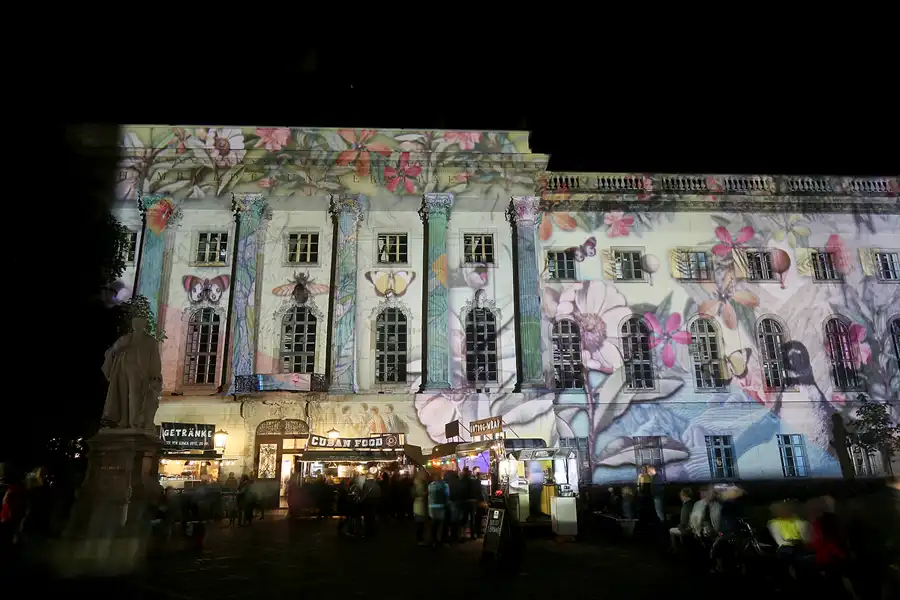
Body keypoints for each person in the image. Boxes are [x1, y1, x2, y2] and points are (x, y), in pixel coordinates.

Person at [428, 470, 450, 546]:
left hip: (432, 507)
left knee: (434, 525)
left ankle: (434, 541)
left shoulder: (431, 485)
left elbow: (429, 496)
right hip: (441, 506)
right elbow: (447, 496)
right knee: (442, 525)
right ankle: (442, 540)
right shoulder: (444, 485)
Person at [669, 487, 694, 552]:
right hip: (692, 527)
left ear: (684, 495)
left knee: (671, 530)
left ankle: (675, 549)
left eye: (681, 495)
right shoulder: (692, 503)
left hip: (688, 530)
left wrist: (679, 526)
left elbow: (684, 522)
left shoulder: (686, 506)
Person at [412, 471, 428, 546]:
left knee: (420, 523)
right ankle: (420, 539)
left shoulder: (417, 482)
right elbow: (420, 493)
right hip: (420, 505)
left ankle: (420, 538)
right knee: (420, 524)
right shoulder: (420, 483)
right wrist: (427, 493)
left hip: (418, 505)